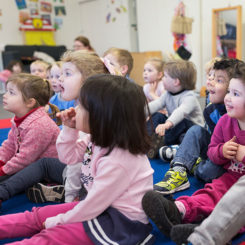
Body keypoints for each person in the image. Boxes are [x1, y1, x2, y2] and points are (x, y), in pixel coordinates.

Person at [0, 74, 155, 245]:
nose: (75, 109)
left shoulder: (119, 159)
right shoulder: (97, 139)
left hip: (118, 222)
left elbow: (92, 206)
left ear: (101, 116)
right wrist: (69, 129)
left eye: (82, 105)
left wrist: (57, 221)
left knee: (50, 238)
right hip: (98, 206)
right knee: (37, 216)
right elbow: (68, 157)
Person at [142, 61, 245, 242]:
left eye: (235, 94)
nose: (228, 97)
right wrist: (222, 151)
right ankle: (178, 210)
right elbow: (212, 151)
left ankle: (209, 230)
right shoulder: (225, 121)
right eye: (229, 91)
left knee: (234, 208)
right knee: (211, 193)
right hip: (229, 176)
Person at [0, 50, 109, 206]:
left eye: (67, 74)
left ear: (88, 80)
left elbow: (76, 164)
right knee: (40, 165)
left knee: (37, 166)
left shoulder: (88, 115)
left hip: (88, 179)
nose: (59, 79)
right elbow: (70, 157)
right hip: (75, 170)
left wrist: (70, 199)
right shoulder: (80, 110)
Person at [155, 58, 242, 194]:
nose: (210, 82)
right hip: (218, 152)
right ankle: (179, 169)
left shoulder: (238, 112)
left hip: (233, 162)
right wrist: (218, 152)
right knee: (196, 131)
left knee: (208, 173)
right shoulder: (210, 111)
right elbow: (213, 144)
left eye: (219, 80)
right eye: (211, 77)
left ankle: (192, 161)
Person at [0, 73, 60, 182]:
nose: (5, 95)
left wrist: (3, 170)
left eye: (11, 93)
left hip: (46, 174)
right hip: (29, 165)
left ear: (30, 102)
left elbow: (24, 159)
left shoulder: (39, 125)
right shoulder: (19, 118)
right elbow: (9, 145)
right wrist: (1, 162)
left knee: (8, 183)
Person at [147, 60, 204, 159]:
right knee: (157, 115)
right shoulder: (167, 94)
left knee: (182, 121)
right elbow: (155, 105)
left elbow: (181, 112)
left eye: (165, 76)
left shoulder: (189, 96)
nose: (162, 79)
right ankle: (146, 140)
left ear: (176, 82)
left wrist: (166, 124)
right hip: (175, 130)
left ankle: (161, 145)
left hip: (192, 132)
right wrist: (137, 112)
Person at [170, 175, 245, 245]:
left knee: (236, 204)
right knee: (213, 193)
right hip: (230, 177)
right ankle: (183, 209)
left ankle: (207, 235)